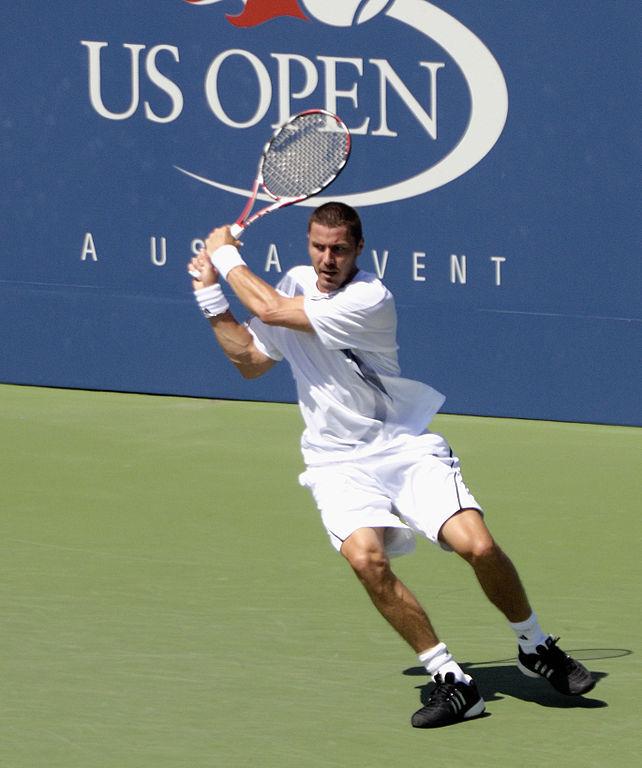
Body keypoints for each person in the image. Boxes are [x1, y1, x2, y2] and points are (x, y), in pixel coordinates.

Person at [187, 202, 595, 728]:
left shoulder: (370, 298)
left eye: (338, 249)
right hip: (335, 462)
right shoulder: (292, 281)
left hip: (401, 447)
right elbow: (249, 361)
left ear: (359, 249)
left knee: (480, 545)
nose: (327, 258)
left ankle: (534, 645)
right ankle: (452, 681)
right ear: (307, 244)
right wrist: (209, 295)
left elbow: (269, 312)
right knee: (366, 561)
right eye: (318, 246)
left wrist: (222, 254)